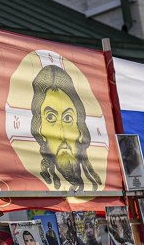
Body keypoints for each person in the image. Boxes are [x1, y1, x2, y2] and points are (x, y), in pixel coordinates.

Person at [29, 63, 101, 192]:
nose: (62, 135)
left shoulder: (97, 179)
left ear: (80, 127)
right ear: (39, 129)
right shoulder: (30, 182)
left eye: (68, 118)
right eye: (50, 118)